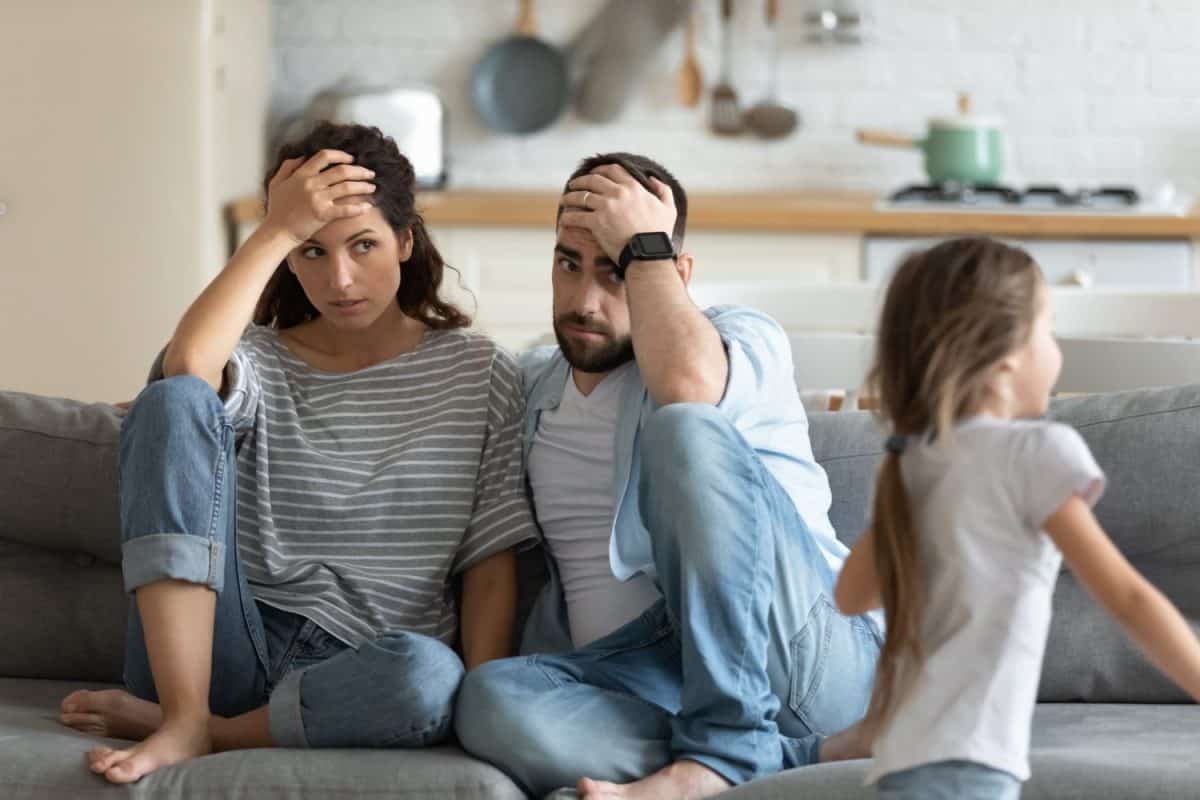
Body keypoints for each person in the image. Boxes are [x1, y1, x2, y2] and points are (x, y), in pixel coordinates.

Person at [58, 122, 537, 784]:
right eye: (311, 252)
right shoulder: (256, 357)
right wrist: (277, 227)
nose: (340, 279)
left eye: (363, 245)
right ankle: (185, 714)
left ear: (405, 240)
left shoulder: (480, 372)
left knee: (431, 677)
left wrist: (488, 710)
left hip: (365, 672)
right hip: (220, 650)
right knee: (171, 399)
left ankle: (205, 735)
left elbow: (490, 560)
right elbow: (191, 367)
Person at [455, 152, 882, 799]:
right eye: (569, 265)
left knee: (685, 428)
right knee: (489, 698)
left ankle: (727, 747)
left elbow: (688, 385)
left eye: (615, 270)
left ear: (673, 272)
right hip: (646, 675)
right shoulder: (530, 386)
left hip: (804, 654)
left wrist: (644, 247)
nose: (585, 301)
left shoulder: (739, 339)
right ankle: (785, 757)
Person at [834, 237, 1200, 799]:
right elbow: (1127, 597)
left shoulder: (909, 463)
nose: (1055, 350)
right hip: (972, 762)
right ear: (1006, 356)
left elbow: (851, 596)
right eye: (1048, 331)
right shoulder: (1039, 453)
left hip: (901, 762)